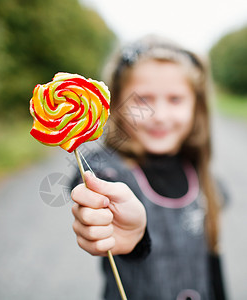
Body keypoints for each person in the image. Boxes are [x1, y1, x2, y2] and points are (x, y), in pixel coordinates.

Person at [70, 35, 227, 300]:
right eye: (143, 100)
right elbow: (86, 180)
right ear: (117, 104)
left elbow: (212, 262)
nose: (160, 116)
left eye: (175, 99)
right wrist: (133, 236)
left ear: (196, 107)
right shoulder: (109, 171)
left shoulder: (199, 174)